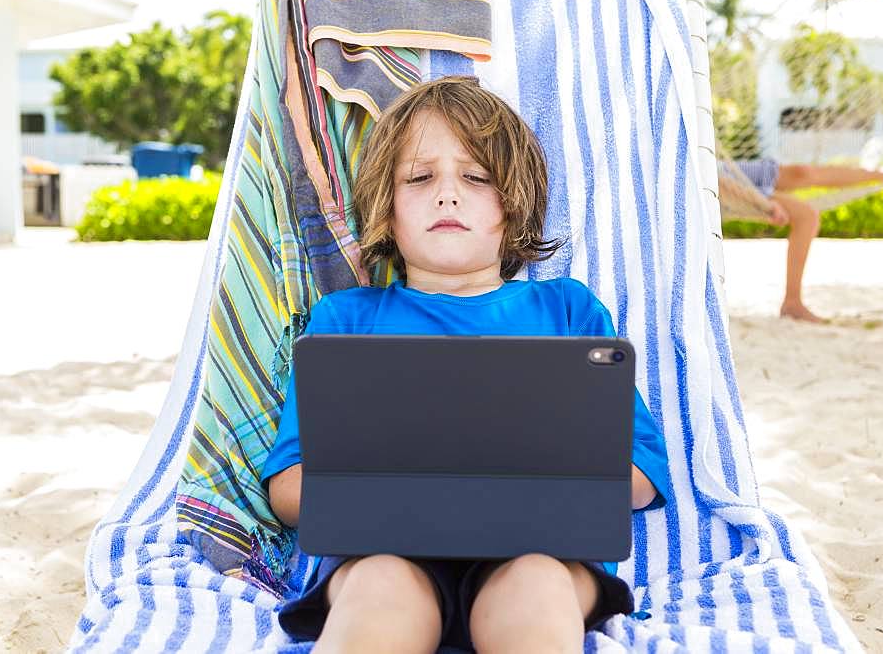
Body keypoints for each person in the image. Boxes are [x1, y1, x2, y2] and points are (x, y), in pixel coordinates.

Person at [259, 77, 671, 653]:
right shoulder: (344, 320)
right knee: (380, 587)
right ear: (387, 206)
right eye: (420, 178)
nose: (447, 195)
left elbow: (641, 475)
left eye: (476, 178)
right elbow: (289, 488)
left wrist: (522, 492)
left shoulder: (568, 310)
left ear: (515, 203)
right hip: (384, 554)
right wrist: (414, 499)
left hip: (538, 551)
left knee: (535, 586)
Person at [718, 158, 883, 323]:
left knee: (802, 172)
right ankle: (792, 302)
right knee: (807, 215)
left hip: (720, 167)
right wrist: (765, 204)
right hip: (713, 181)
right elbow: (702, 176)